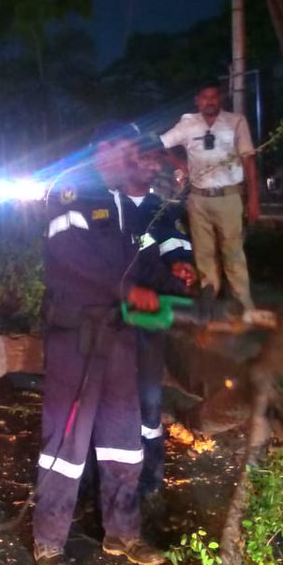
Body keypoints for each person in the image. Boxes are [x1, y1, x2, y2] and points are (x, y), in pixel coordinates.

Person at [32, 122, 183, 565]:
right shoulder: (71, 190)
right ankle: (49, 542)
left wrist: (175, 281)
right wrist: (129, 290)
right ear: (103, 149)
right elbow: (72, 257)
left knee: (123, 437)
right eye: (129, 151)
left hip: (117, 335)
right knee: (66, 441)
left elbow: (140, 259)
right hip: (75, 336)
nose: (137, 160)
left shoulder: (123, 203)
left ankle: (123, 531)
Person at [119, 146, 196, 504]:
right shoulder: (104, 205)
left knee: (148, 400)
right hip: (106, 321)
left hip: (146, 320)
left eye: (154, 159)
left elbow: (174, 251)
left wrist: (181, 269)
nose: (150, 166)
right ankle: (104, 475)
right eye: (142, 158)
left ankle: (149, 476)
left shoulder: (159, 210)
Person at [159, 85, 261, 313]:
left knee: (233, 252)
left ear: (220, 98)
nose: (210, 101)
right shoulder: (187, 124)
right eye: (205, 97)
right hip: (198, 199)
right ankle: (209, 304)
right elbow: (161, 143)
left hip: (229, 196)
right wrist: (178, 163)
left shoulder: (236, 121)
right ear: (198, 100)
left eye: (214, 96)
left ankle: (244, 304)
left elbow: (249, 159)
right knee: (204, 255)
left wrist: (254, 197)